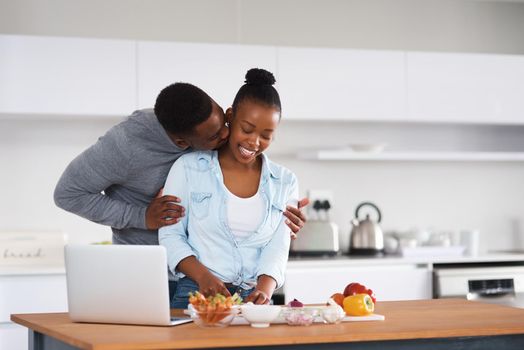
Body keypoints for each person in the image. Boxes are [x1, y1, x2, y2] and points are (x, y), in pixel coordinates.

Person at [53, 82, 308, 301]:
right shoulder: (128, 145)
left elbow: (250, 147)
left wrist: (276, 214)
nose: (227, 134)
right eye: (216, 136)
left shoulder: (203, 119)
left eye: (225, 122)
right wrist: (142, 217)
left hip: (212, 276)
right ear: (183, 143)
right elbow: (68, 194)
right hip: (148, 271)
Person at [159, 68, 298, 307]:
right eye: (247, 129)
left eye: (266, 135)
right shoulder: (188, 168)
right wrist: (204, 278)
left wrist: (264, 291)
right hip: (196, 295)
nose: (254, 142)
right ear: (230, 116)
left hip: (254, 302)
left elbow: (279, 245)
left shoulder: (285, 181)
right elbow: (171, 235)